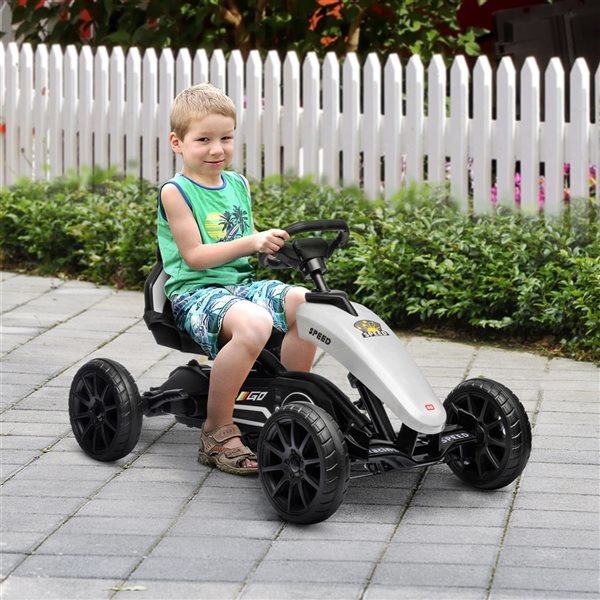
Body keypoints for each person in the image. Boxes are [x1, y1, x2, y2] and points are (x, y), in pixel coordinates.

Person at [157, 83, 316, 476]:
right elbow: (194, 256)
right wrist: (251, 241)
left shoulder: (238, 184)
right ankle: (216, 431)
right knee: (255, 323)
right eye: (204, 140)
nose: (217, 149)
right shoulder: (176, 192)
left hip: (240, 287)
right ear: (177, 142)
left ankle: (291, 407)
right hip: (195, 293)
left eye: (226, 138)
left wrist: (271, 246)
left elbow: (245, 242)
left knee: (310, 305)